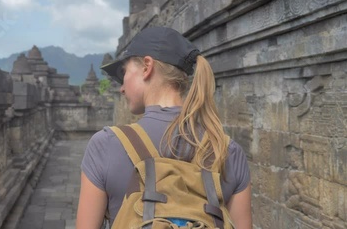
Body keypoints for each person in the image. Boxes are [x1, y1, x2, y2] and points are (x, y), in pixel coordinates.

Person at [76, 27, 252, 229]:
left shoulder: (105, 146)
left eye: (124, 72)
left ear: (146, 67)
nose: (121, 87)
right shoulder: (228, 151)